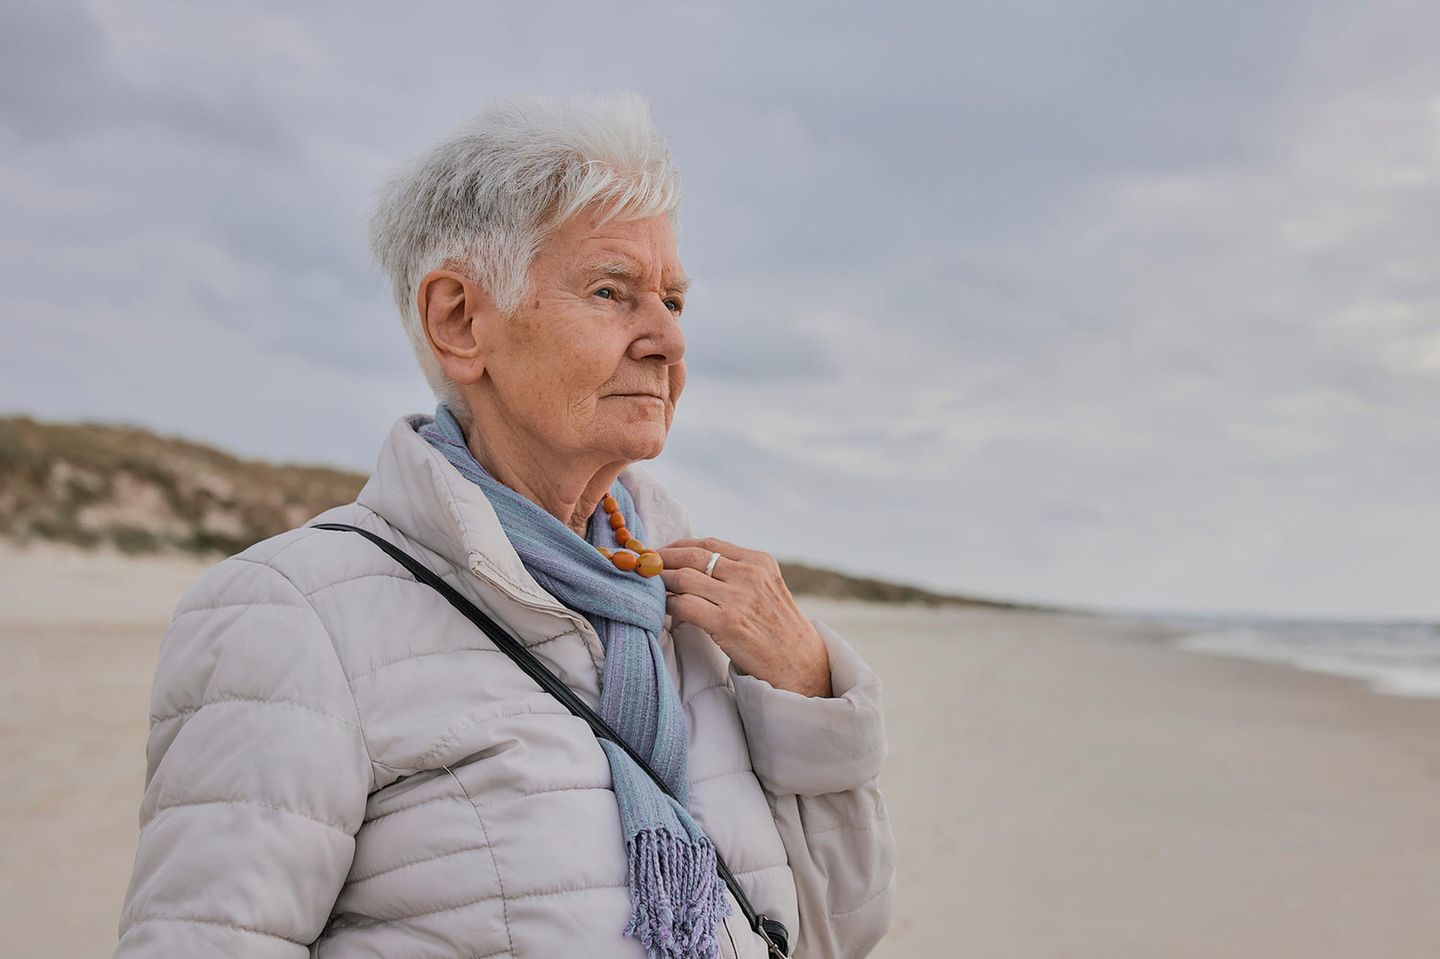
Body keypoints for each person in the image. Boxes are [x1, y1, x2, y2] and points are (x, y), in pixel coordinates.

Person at [113, 93, 896, 959]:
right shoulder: (294, 618)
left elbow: (835, 932)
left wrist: (806, 688)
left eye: (674, 301)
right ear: (458, 321)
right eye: (612, 292)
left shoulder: (693, 617)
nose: (668, 341)